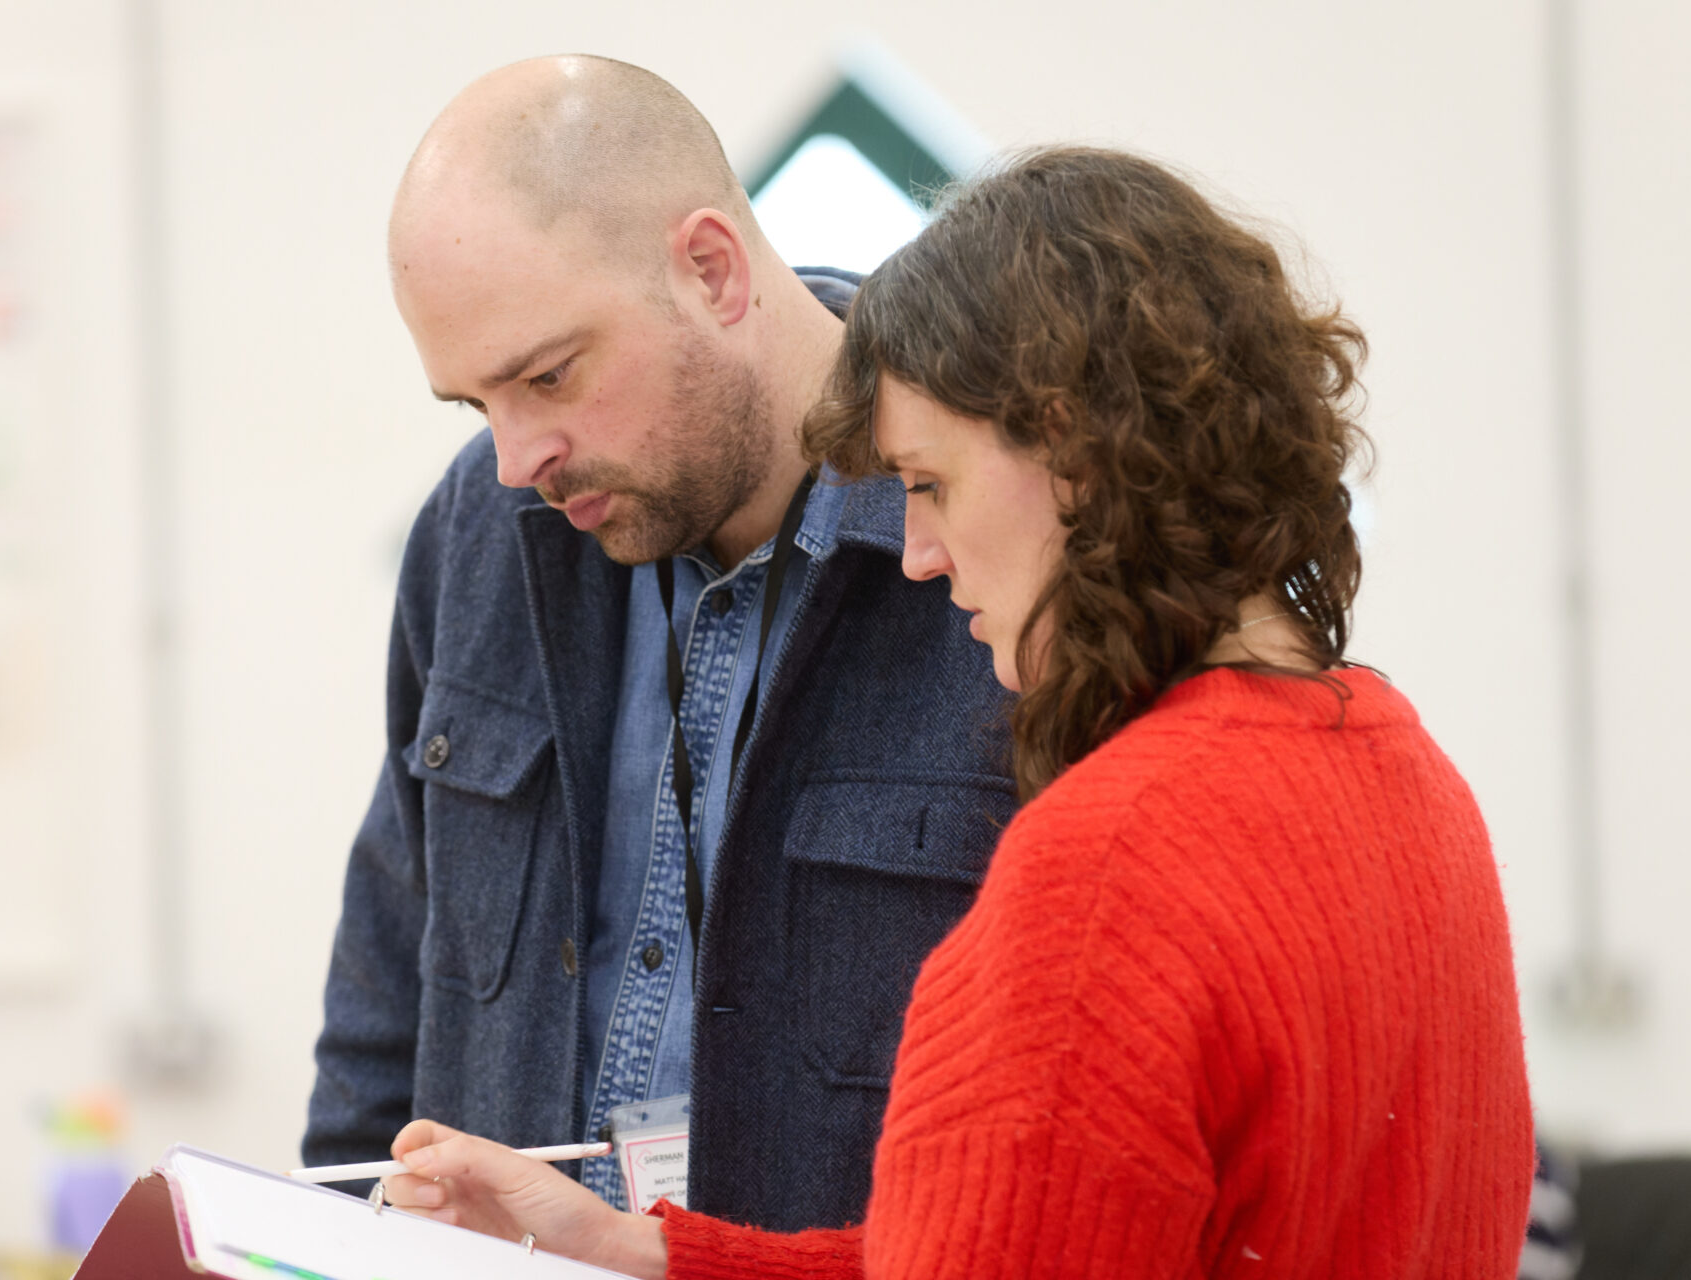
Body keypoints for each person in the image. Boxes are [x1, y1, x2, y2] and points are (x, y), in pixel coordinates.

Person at [375, 146, 1537, 1278]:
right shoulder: (1410, 778)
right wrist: (644, 1249)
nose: (917, 554)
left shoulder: (1104, 870)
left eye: (929, 483)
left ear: (1078, 452)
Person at [301, 55, 1018, 1232]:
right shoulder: (483, 532)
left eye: (548, 374)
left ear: (711, 269)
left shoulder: (985, 554)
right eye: (479, 405)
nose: (519, 454)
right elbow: (381, 1015)